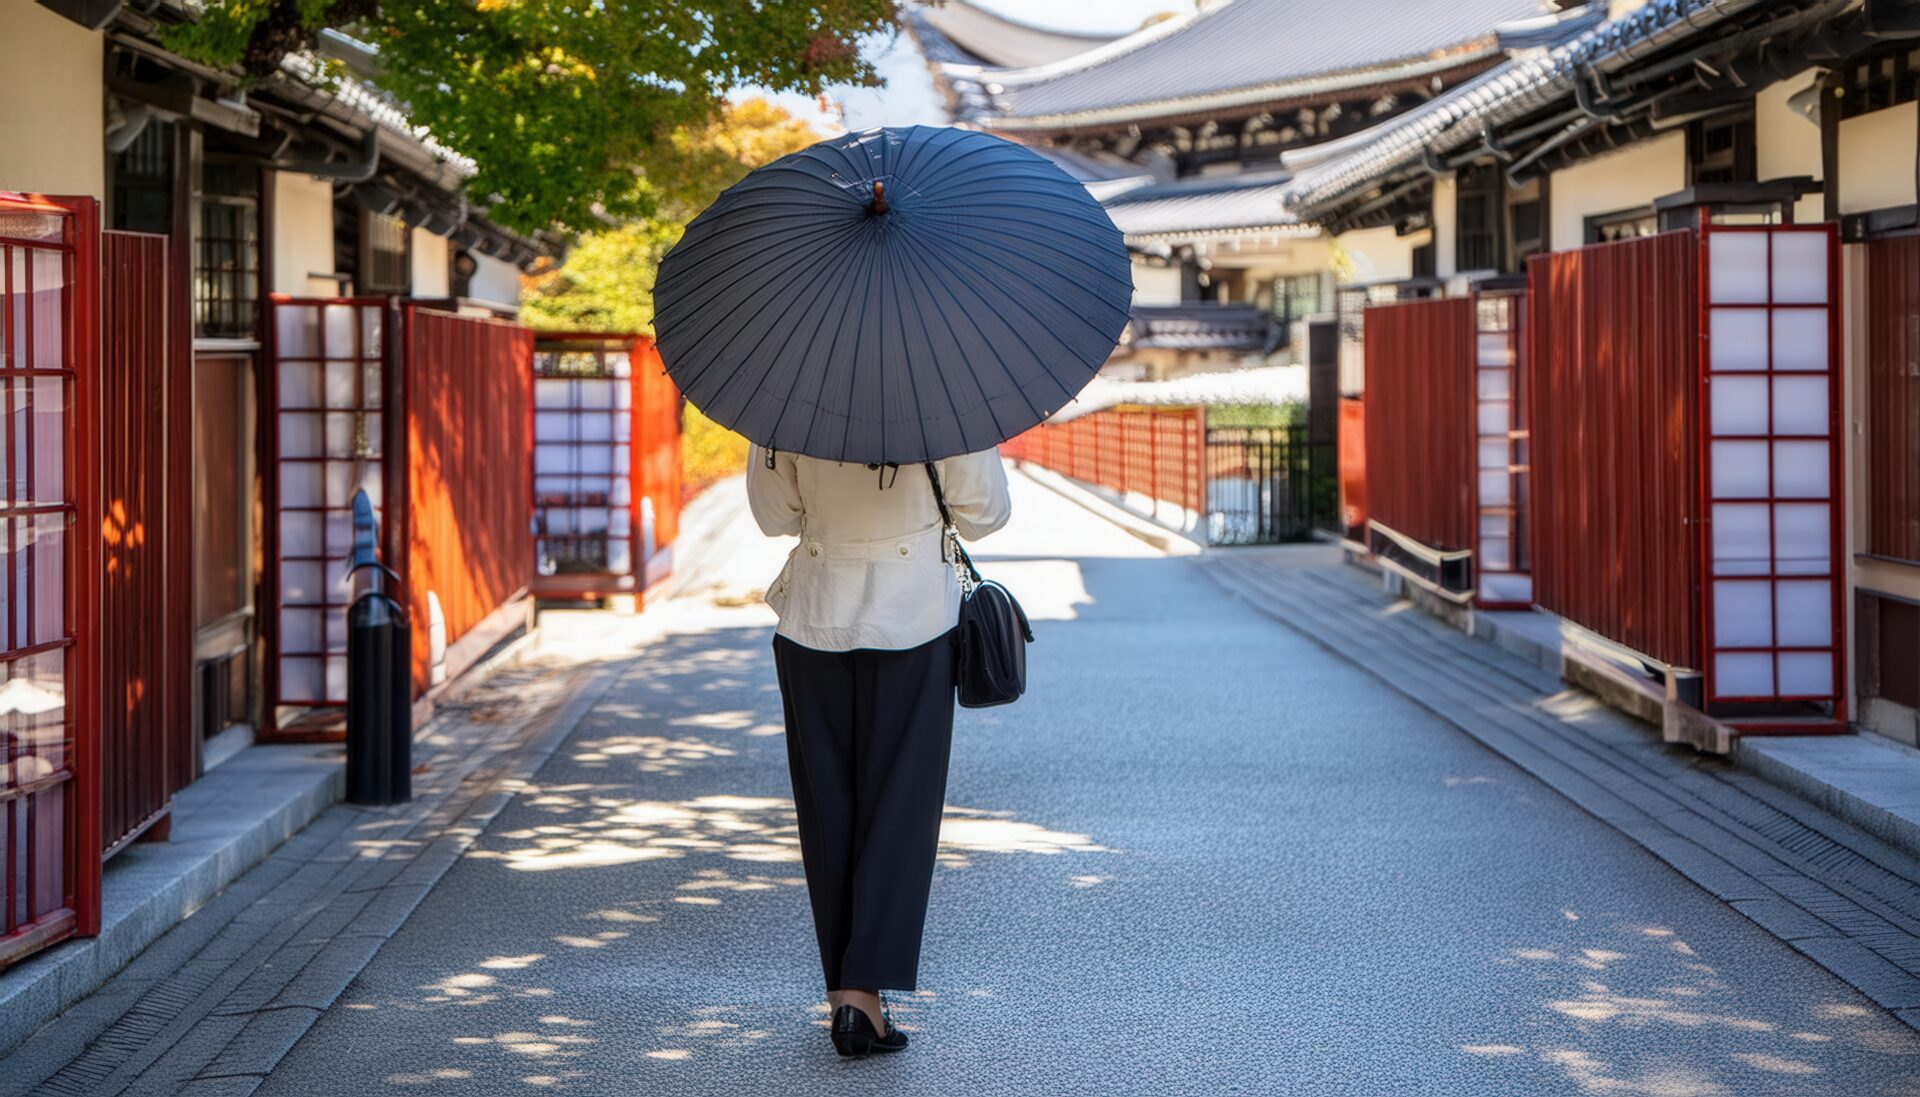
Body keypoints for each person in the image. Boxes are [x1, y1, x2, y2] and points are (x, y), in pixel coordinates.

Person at [746, 445, 1011, 1058]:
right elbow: (986, 513)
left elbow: (773, 515)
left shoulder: (788, 387)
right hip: (914, 616)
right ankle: (864, 999)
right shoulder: (943, 386)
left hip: (814, 614)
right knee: (900, 809)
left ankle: (846, 998)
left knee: (827, 810)